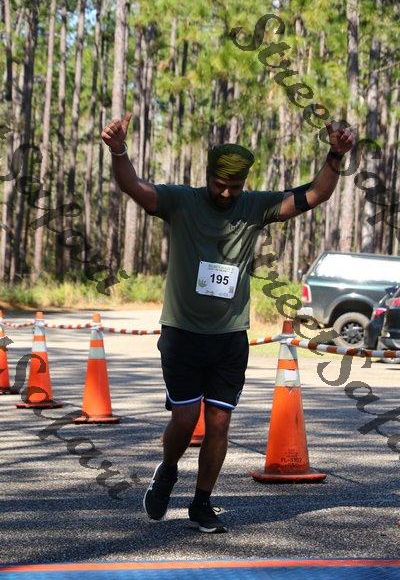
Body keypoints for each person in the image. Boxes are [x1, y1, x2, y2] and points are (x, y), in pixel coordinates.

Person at [101, 115, 355, 533]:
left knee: (219, 423)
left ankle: (202, 502)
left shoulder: (254, 207)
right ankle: (167, 470)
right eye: (220, 184)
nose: (226, 193)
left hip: (229, 337)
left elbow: (315, 194)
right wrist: (118, 150)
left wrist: (335, 155)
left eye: (234, 187)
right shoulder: (181, 202)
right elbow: (134, 186)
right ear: (208, 177)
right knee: (186, 419)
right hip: (183, 332)